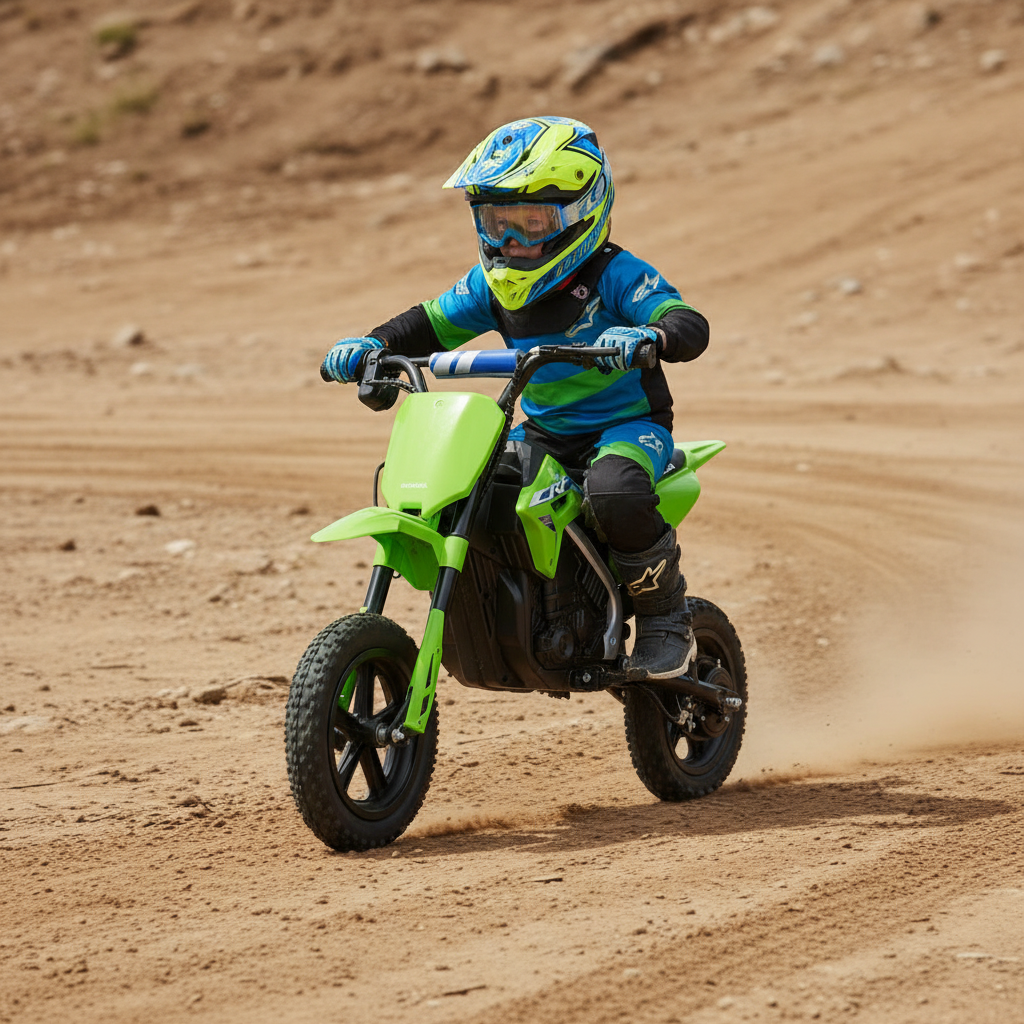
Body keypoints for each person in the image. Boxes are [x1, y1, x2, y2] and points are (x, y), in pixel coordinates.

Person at [320, 116, 709, 680]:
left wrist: (651, 335)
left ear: (581, 211)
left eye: (530, 221)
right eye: (496, 222)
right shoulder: (491, 284)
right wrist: (372, 345)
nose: (510, 241)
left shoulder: (614, 274)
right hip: (544, 431)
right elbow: (429, 323)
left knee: (614, 489)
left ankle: (663, 616)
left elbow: (686, 322)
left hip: (626, 426)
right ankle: (509, 610)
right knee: (467, 485)